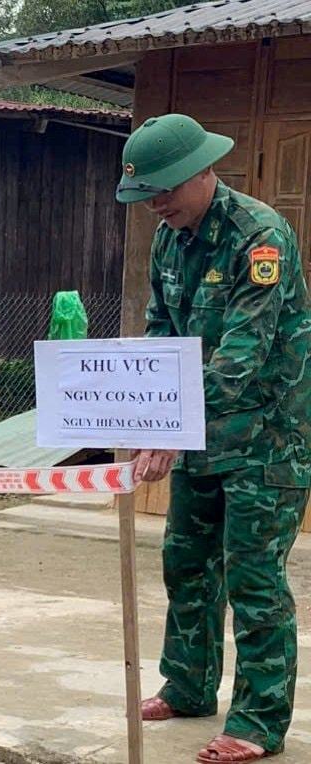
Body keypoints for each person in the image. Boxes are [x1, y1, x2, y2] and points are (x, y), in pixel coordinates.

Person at [117, 114, 311, 763]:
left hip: (267, 437)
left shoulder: (260, 236)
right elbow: (160, 335)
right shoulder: (171, 242)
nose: (159, 203)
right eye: (150, 194)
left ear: (205, 170)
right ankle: (189, 685)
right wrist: (149, 419)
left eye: (168, 188)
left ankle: (256, 723)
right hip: (200, 435)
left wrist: (172, 422)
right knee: (187, 564)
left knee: (254, 577)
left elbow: (242, 355)